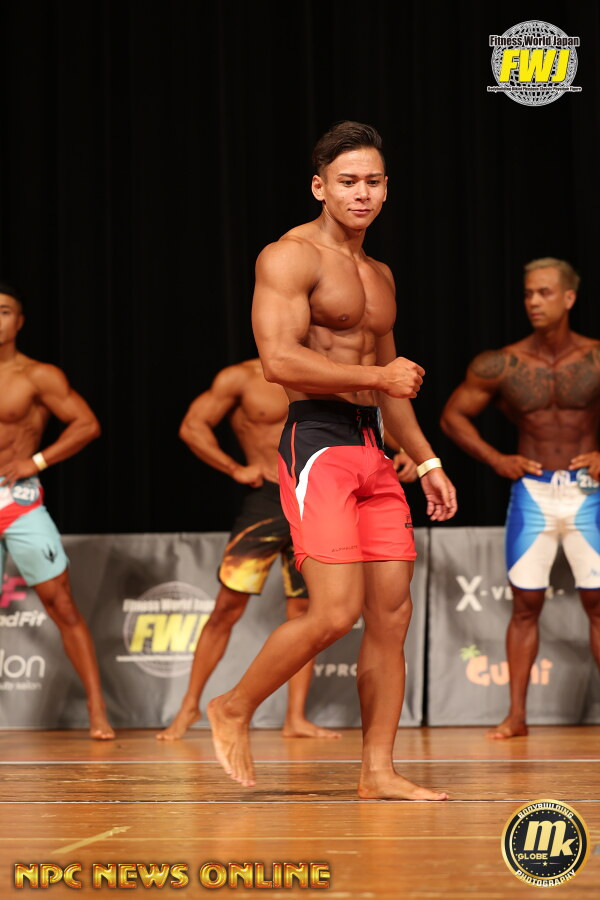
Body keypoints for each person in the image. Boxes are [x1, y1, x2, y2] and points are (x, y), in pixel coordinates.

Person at [207, 121, 457, 799]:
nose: (361, 193)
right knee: (334, 612)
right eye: (348, 182)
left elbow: (393, 387)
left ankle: (378, 772)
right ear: (320, 187)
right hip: (317, 444)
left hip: (374, 450)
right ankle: (232, 706)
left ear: (387, 189)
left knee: (392, 617)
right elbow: (278, 361)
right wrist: (378, 379)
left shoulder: (380, 275)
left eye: (373, 181)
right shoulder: (289, 257)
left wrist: (427, 462)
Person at [440, 258, 600, 739]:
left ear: (569, 298)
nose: (533, 301)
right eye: (528, 293)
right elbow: (452, 416)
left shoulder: (595, 357)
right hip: (532, 491)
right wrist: (496, 459)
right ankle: (516, 716)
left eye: (544, 293)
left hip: (588, 493)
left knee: (597, 603)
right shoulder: (502, 363)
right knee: (525, 604)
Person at [157, 358, 342, 741]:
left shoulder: (322, 370)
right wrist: (233, 468)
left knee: (306, 610)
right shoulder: (241, 377)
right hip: (267, 500)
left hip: (315, 496)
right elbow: (192, 426)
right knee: (227, 607)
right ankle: (189, 706)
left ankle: (296, 717)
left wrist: (407, 452)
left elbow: (364, 415)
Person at [0, 284, 114, 739]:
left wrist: (38, 460)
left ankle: (97, 710)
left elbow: (87, 424)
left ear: (19, 321)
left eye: (3, 311)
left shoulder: (36, 375)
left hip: (18, 499)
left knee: (62, 604)